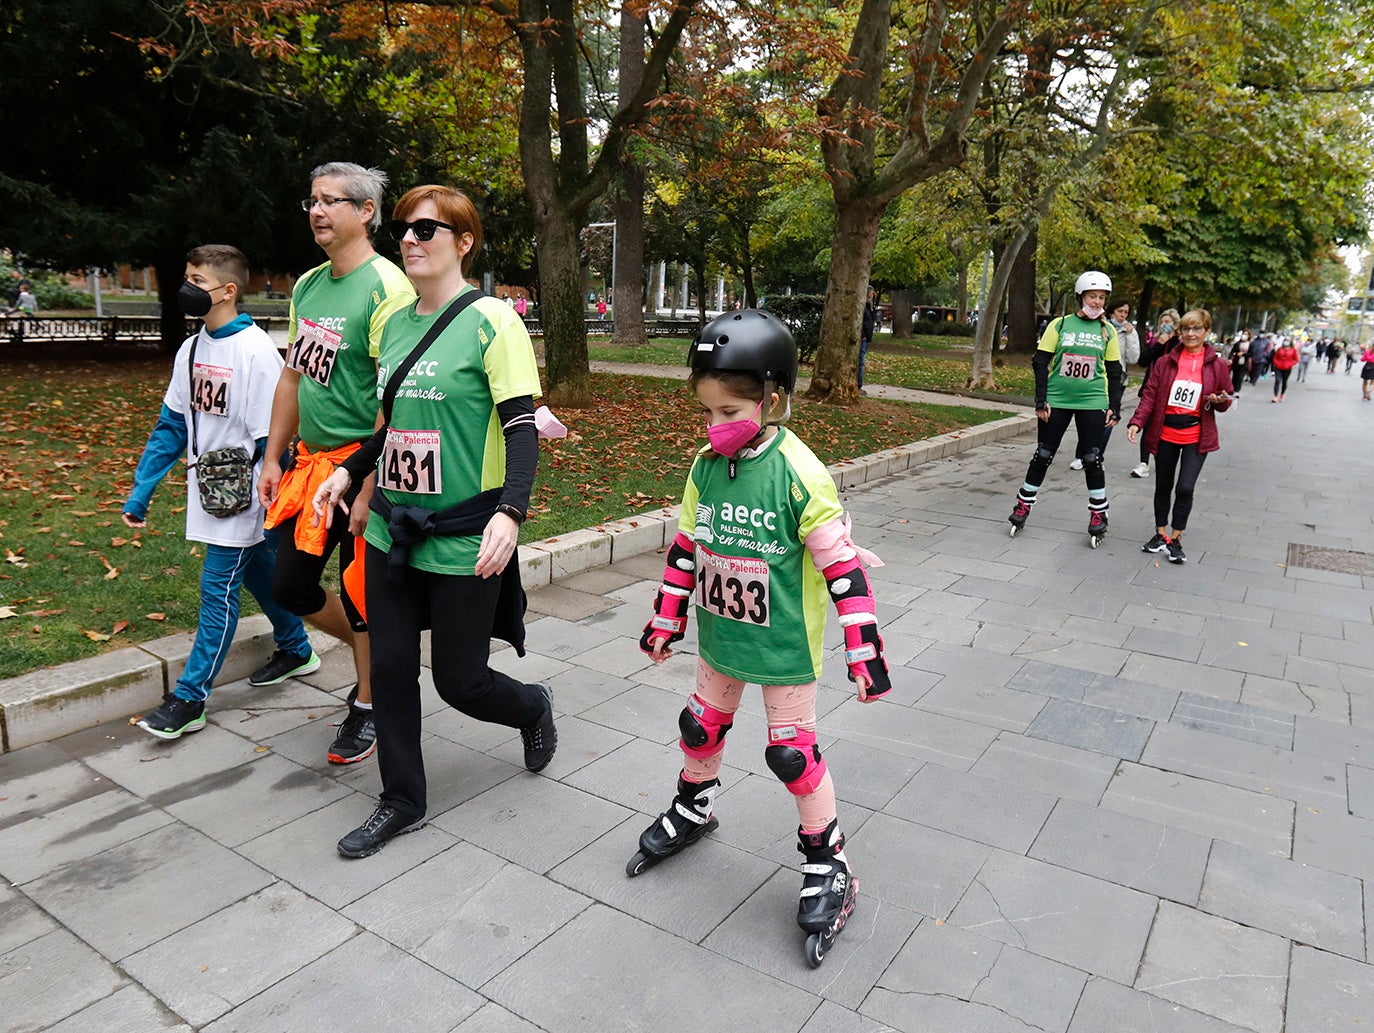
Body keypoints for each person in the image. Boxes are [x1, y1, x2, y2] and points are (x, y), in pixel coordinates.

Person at [632, 309, 890, 966]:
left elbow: (842, 567)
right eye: (707, 411)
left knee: (791, 756)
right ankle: (695, 805)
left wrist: (865, 650)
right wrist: (668, 617)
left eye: (729, 410)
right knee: (699, 727)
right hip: (723, 639)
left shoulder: (801, 473)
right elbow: (688, 546)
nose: (715, 426)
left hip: (781, 649)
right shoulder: (705, 465)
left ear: (774, 398)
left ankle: (830, 861)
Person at [311, 184, 556, 858]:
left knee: (461, 680)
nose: (410, 240)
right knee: (388, 667)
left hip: (463, 534)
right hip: (393, 528)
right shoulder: (394, 325)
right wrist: (350, 471)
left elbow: (521, 426)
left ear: (464, 242)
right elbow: (389, 426)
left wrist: (511, 511)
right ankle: (401, 800)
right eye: (403, 230)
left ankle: (532, 704)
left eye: (427, 229)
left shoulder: (492, 322)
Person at [258, 162, 416, 765]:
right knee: (291, 586)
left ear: (366, 212)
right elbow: (293, 377)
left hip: (362, 468)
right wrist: (274, 455)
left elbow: (394, 402)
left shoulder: (388, 289)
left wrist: (371, 485)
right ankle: (378, 658)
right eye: (312, 200)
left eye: (331, 201)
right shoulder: (308, 286)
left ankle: (370, 703)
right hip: (311, 467)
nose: (317, 211)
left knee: (360, 594)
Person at [123, 245, 316, 739]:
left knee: (217, 591)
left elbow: (267, 439)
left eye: (197, 279)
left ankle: (189, 697)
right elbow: (171, 425)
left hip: (247, 495)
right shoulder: (190, 350)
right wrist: (141, 491)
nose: (186, 287)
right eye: (185, 276)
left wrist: (253, 486)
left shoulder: (254, 352)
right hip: (209, 493)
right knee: (259, 575)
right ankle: (296, 648)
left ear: (229, 290)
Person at [1007, 271, 1123, 545]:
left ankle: (1098, 513)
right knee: (1043, 454)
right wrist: (1040, 399)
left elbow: (1115, 371)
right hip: (1057, 400)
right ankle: (1023, 505)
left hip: (1093, 400)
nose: (1097, 302)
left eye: (1102, 297)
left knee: (1092, 458)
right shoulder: (1060, 326)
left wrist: (1114, 407)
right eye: (1093, 296)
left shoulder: (1108, 330)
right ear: (1081, 296)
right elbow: (1040, 362)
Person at [1127, 308, 1232, 565]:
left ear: (1207, 332)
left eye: (1197, 329)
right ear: (1180, 331)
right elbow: (1150, 394)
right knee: (1163, 485)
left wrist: (1220, 400)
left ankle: (1176, 538)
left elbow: (1227, 396)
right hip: (1166, 431)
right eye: (1186, 329)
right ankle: (1161, 534)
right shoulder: (1166, 362)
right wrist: (1137, 421)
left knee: (1185, 487)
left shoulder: (1216, 365)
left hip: (1197, 433)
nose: (1191, 334)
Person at [1074, 297, 1136, 469]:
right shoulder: (1101, 326)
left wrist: (1130, 336)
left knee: (1109, 417)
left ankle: (1097, 454)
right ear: (1112, 312)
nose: (1123, 315)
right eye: (1120, 311)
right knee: (1088, 416)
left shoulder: (1129, 331)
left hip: (1117, 380)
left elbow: (1133, 358)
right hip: (1095, 378)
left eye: (1126, 312)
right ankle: (1081, 455)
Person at [1130, 309, 1179, 479]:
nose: (1165, 325)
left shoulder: (1179, 344)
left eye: (1169, 322)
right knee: (1148, 425)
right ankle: (1143, 463)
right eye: (1162, 322)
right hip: (1151, 389)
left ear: (1176, 324)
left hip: (1170, 392)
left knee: (1164, 426)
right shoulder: (1155, 341)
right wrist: (1159, 344)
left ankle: (1162, 460)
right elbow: (1143, 361)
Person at [858, 286, 879, 395]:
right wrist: (863, 335)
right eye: (871, 293)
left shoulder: (868, 306)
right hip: (863, 337)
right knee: (861, 362)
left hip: (866, 337)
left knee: (861, 361)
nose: (872, 295)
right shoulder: (863, 306)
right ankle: (858, 385)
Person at [1269, 335, 1298, 402]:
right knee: (1277, 380)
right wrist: (1276, 363)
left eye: (1287, 341)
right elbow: (1275, 357)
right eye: (1285, 341)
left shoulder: (1293, 350)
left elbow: (1296, 359)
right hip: (1278, 367)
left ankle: (1282, 394)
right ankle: (1275, 396)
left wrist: (1290, 364)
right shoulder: (1280, 349)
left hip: (1287, 368)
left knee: (1284, 382)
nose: (1286, 342)